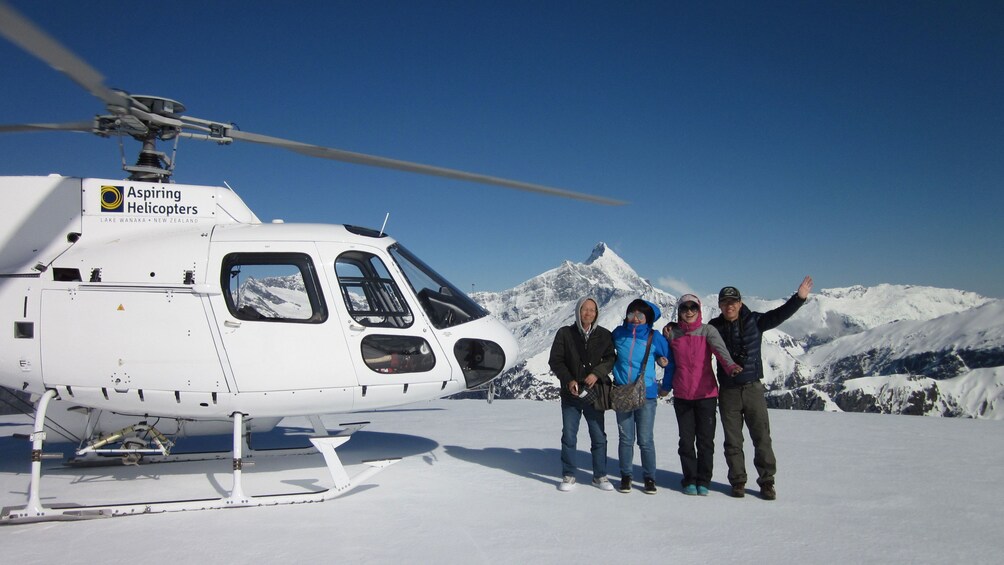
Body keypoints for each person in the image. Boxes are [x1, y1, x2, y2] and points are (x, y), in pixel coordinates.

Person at [709, 276, 813, 500]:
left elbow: (779, 315)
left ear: (740, 302)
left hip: (752, 388)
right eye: (725, 302)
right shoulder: (713, 328)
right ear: (719, 305)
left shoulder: (755, 321)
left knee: (761, 438)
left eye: (733, 301)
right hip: (728, 391)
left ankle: (767, 482)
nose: (729, 306)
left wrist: (799, 299)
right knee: (733, 440)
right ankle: (738, 481)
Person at [659, 294, 742, 496]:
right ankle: (690, 479)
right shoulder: (672, 333)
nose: (689, 311)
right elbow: (663, 356)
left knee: (705, 441)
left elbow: (720, 351)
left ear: (699, 310)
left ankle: (703, 480)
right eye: (685, 308)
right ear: (679, 311)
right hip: (682, 395)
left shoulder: (707, 331)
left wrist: (730, 366)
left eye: (693, 307)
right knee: (686, 441)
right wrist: (665, 382)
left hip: (705, 394)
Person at [548, 296, 616, 492]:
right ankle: (568, 474)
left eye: (592, 310)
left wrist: (597, 374)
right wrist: (568, 380)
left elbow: (610, 358)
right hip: (571, 394)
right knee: (569, 435)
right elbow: (556, 360)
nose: (588, 313)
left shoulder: (604, 335)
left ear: (597, 313)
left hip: (594, 393)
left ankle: (600, 475)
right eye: (584, 309)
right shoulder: (565, 334)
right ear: (578, 311)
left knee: (598, 436)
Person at [611, 299, 672, 494]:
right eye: (631, 314)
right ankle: (626, 475)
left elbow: (670, 362)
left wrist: (666, 384)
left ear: (648, 318)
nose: (635, 319)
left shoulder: (655, 338)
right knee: (625, 438)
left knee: (645, 439)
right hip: (622, 392)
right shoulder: (618, 334)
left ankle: (649, 477)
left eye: (640, 315)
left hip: (647, 394)